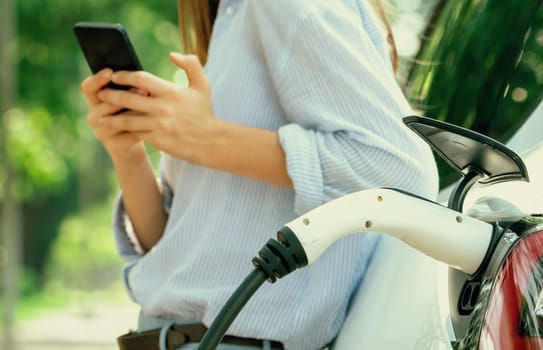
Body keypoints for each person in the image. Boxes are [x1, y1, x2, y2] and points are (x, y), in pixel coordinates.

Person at [80, 1, 437, 349]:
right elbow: (170, 244)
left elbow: (400, 169)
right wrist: (127, 153)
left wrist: (209, 138)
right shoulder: (229, 20)